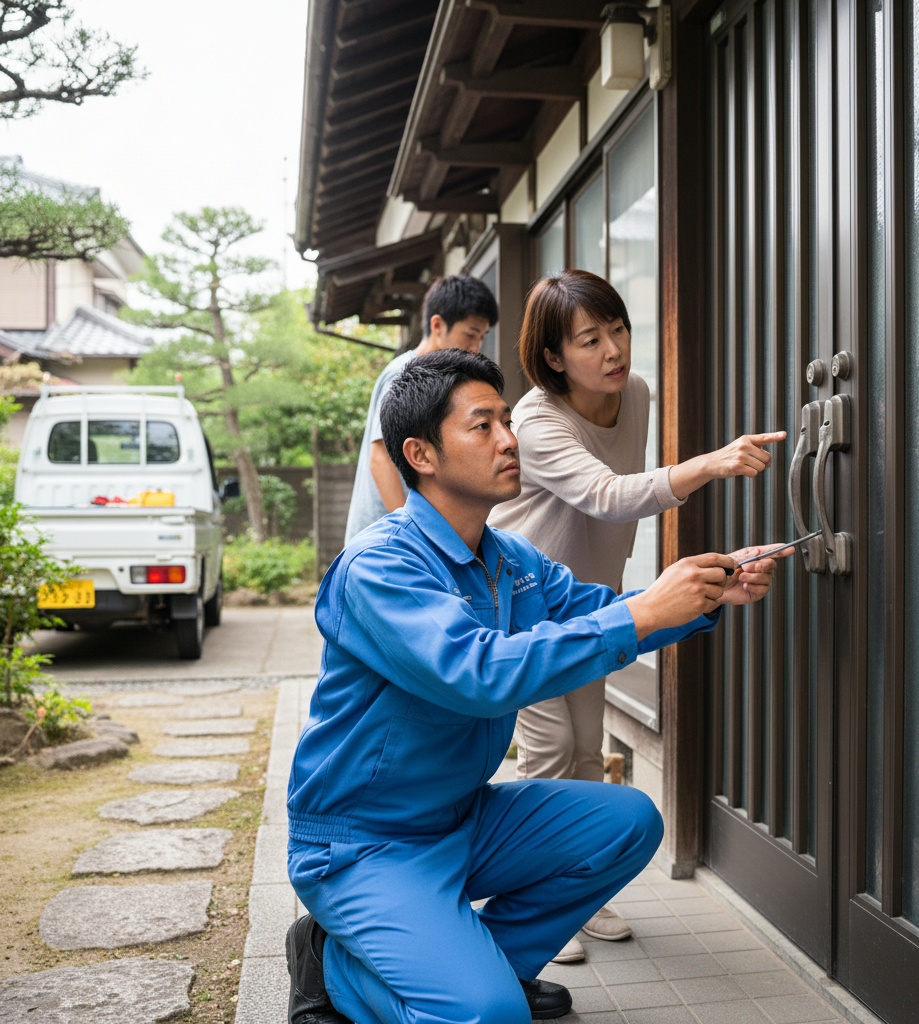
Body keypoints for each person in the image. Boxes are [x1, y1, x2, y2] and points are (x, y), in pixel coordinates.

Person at [286, 348, 787, 1024]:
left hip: (459, 818)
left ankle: (490, 966)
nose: (508, 439)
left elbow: (597, 613)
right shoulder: (380, 566)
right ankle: (334, 968)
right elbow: (478, 674)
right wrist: (642, 610)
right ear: (422, 454)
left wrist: (704, 593)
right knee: (490, 1017)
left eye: (506, 421)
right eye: (482, 425)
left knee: (627, 821)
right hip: (365, 842)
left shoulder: (507, 559)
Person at [487, 269, 786, 960]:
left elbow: (620, 498)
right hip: (525, 605)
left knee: (588, 747)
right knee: (551, 749)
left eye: (616, 329)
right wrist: (712, 463)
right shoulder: (535, 419)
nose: (614, 349)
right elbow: (608, 495)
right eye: (590, 340)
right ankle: (539, 901)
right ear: (555, 356)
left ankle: (578, 894)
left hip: (594, 598)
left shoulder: (637, 394)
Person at [342, 274, 498, 547]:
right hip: (386, 540)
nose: (475, 348)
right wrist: (414, 536)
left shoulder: (441, 380)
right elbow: (380, 459)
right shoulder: (404, 373)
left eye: (482, 337)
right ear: (437, 325)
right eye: (470, 335)